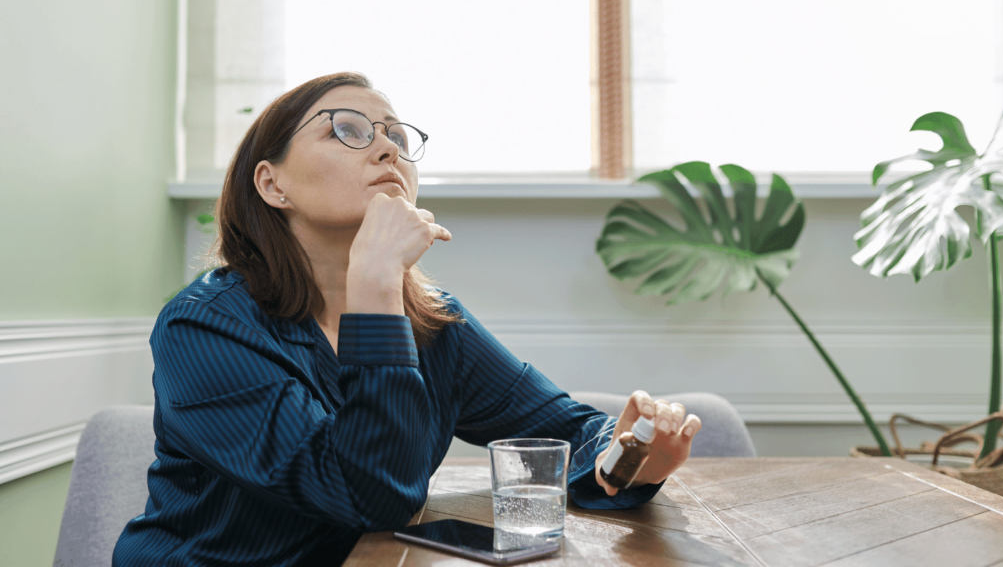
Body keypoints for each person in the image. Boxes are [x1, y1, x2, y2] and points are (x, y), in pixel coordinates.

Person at [112, 71, 702, 566]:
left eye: (396, 135)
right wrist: (373, 280)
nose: (389, 148)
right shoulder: (202, 327)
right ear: (273, 184)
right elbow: (366, 496)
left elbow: (569, 431)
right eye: (347, 130)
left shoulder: (433, 322)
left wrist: (627, 461)